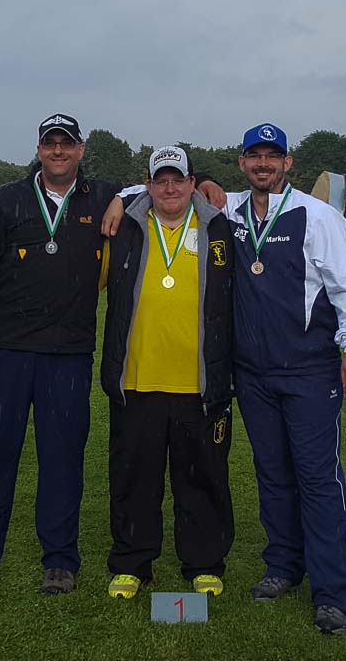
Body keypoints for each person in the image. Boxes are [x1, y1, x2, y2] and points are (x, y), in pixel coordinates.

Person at [0, 115, 225, 599]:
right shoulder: (5, 200)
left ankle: (59, 560)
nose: (59, 151)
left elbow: (154, 185)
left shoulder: (101, 197)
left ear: (81, 149)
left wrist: (183, 186)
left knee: (62, 461)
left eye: (67, 144)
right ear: (39, 149)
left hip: (68, 355)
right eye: (50, 144)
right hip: (4, 353)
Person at [226, 122, 346, 635]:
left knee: (318, 480)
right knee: (272, 475)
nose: (263, 164)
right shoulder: (230, 212)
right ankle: (283, 566)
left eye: (273, 156)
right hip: (253, 374)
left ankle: (332, 592)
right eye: (254, 156)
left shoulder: (318, 215)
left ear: (289, 163)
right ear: (242, 162)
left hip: (310, 370)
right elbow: (154, 191)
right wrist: (118, 200)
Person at [100, 146, 235, 600]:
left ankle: (203, 563)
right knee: (134, 478)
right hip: (137, 379)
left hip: (201, 382)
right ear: (149, 184)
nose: (171, 188)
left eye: (179, 179)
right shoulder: (124, 227)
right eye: (162, 180)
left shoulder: (221, 227)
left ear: (193, 182)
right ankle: (132, 563)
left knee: (202, 478)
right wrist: (123, 196)